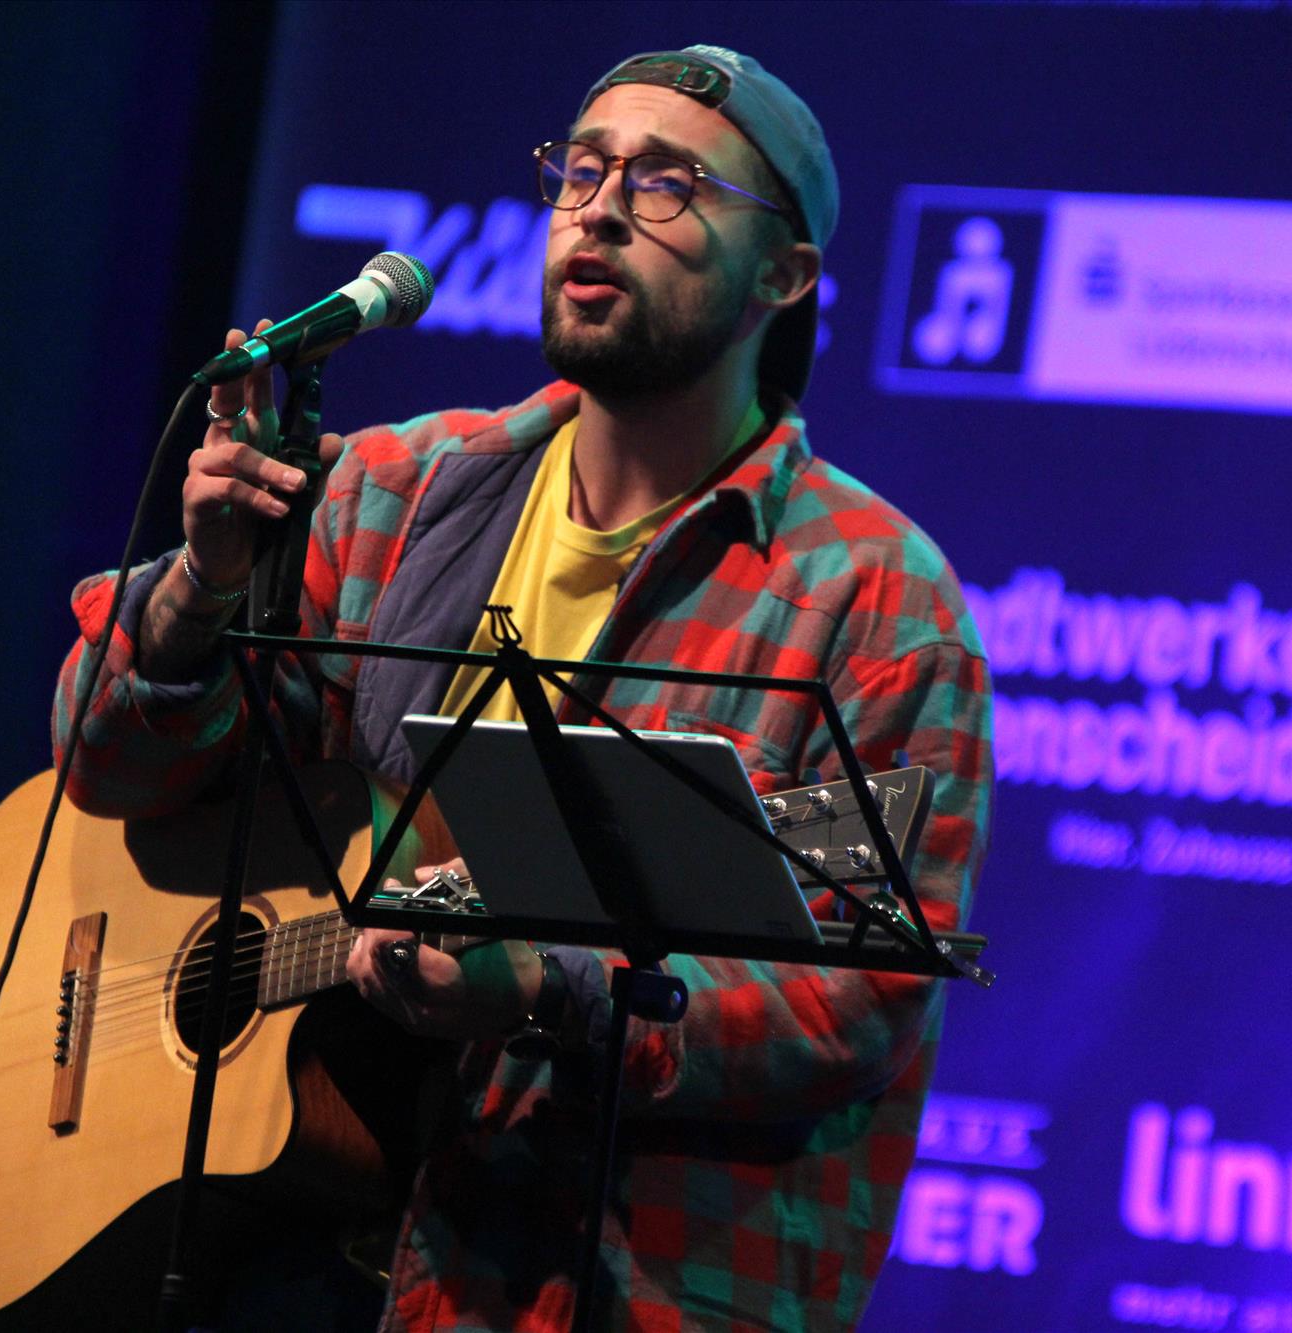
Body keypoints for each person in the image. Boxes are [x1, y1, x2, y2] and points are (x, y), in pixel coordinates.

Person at [55, 45, 993, 1332]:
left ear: (783, 276)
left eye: (666, 184)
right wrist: (199, 590)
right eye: (582, 170)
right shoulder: (391, 493)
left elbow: (855, 999)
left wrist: (552, 991)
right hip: (298, 1265)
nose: (598, 211)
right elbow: (105, 766)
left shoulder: (877, 601)